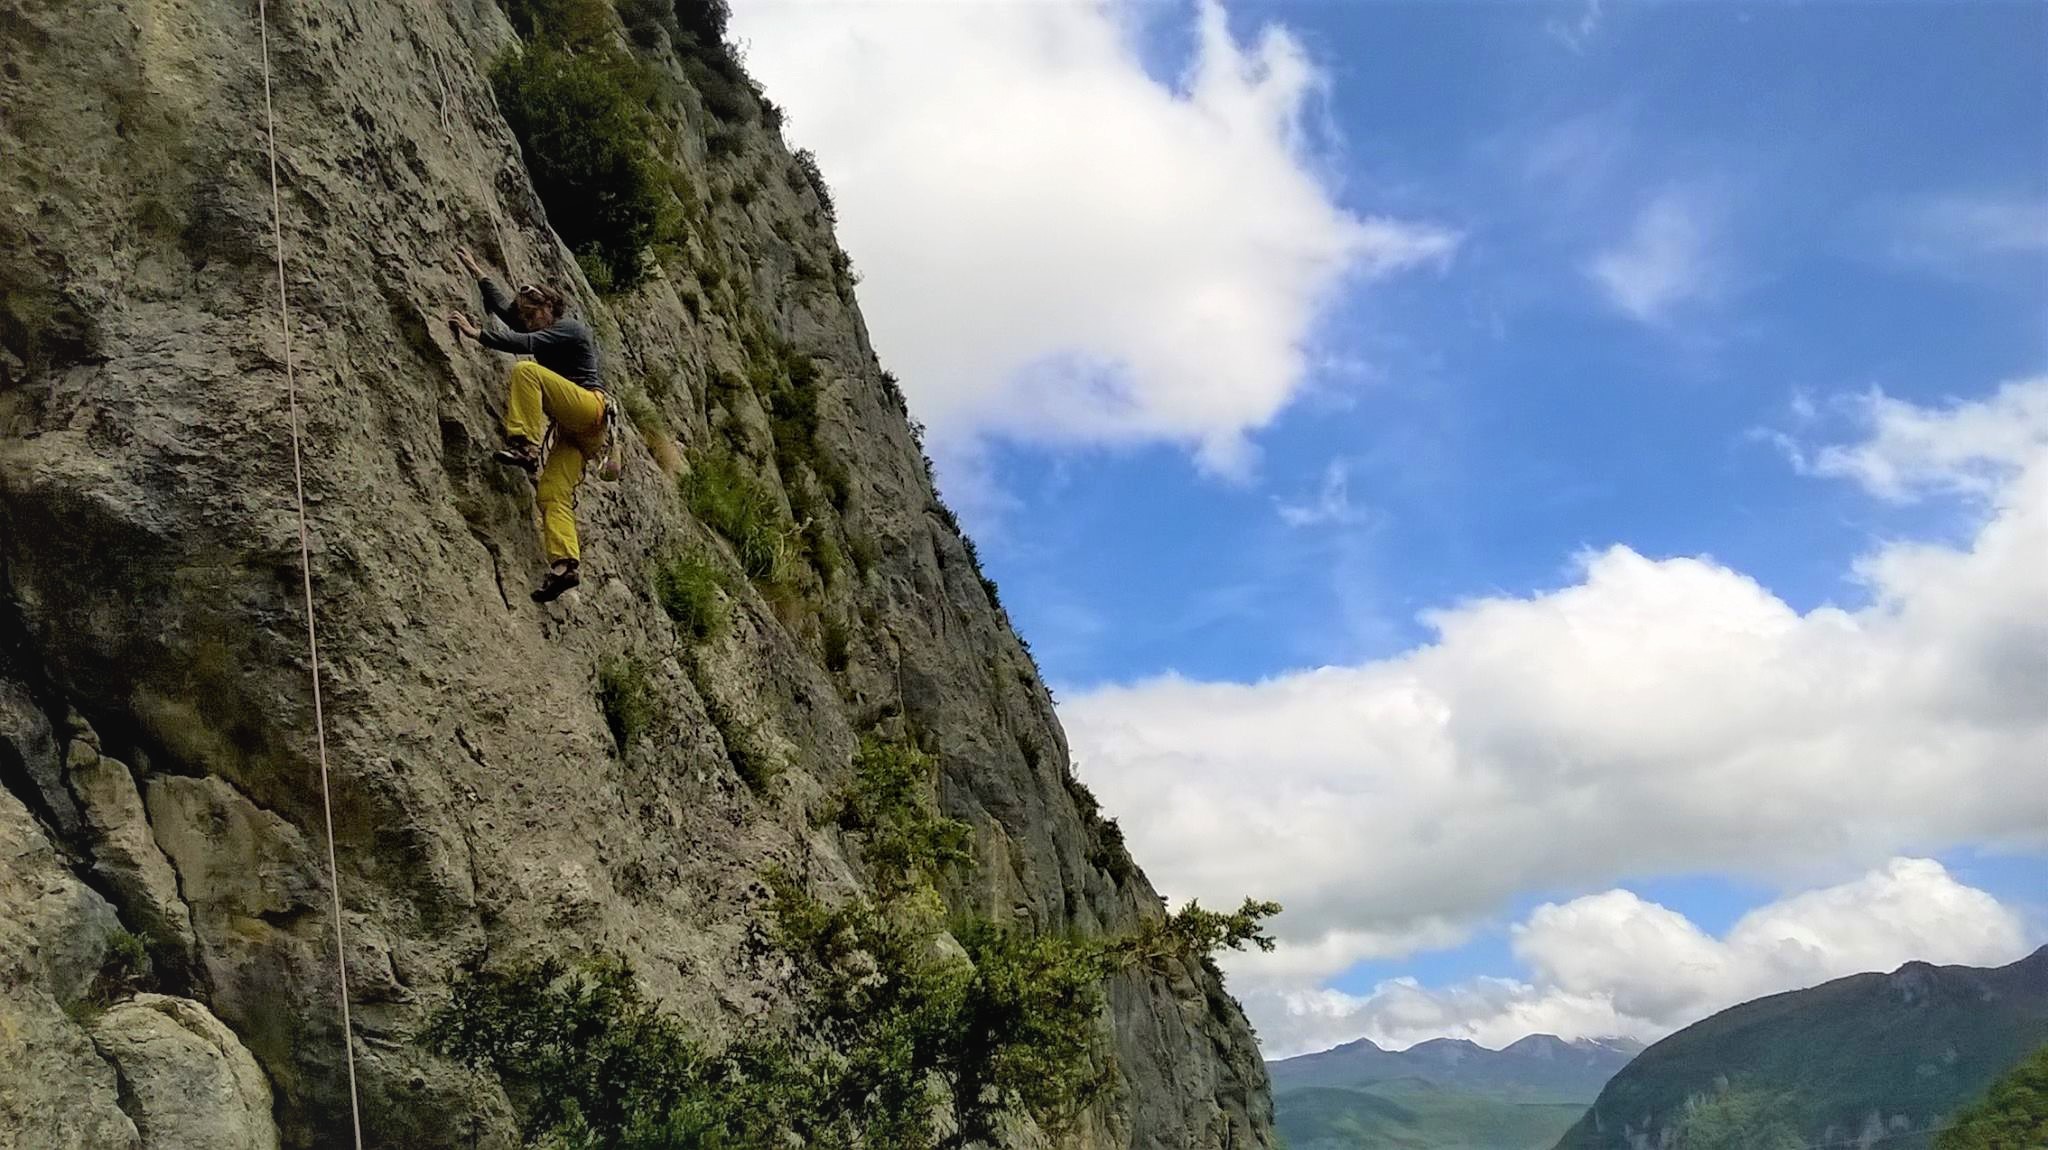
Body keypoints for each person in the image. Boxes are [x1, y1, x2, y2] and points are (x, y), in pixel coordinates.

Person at [446, 247, 618, 604]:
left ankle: (524, 445)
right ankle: (564, 566)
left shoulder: (569, 329)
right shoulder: (538, 326)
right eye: (526, 315)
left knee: (526, 370)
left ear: (551, 308)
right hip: (579, 434)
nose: (529, 320)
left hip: (589, 408)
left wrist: (478, 334)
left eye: (534, 313)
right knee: (552, 493)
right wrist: (478, 272)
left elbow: (524, 341)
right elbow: (508, 315)